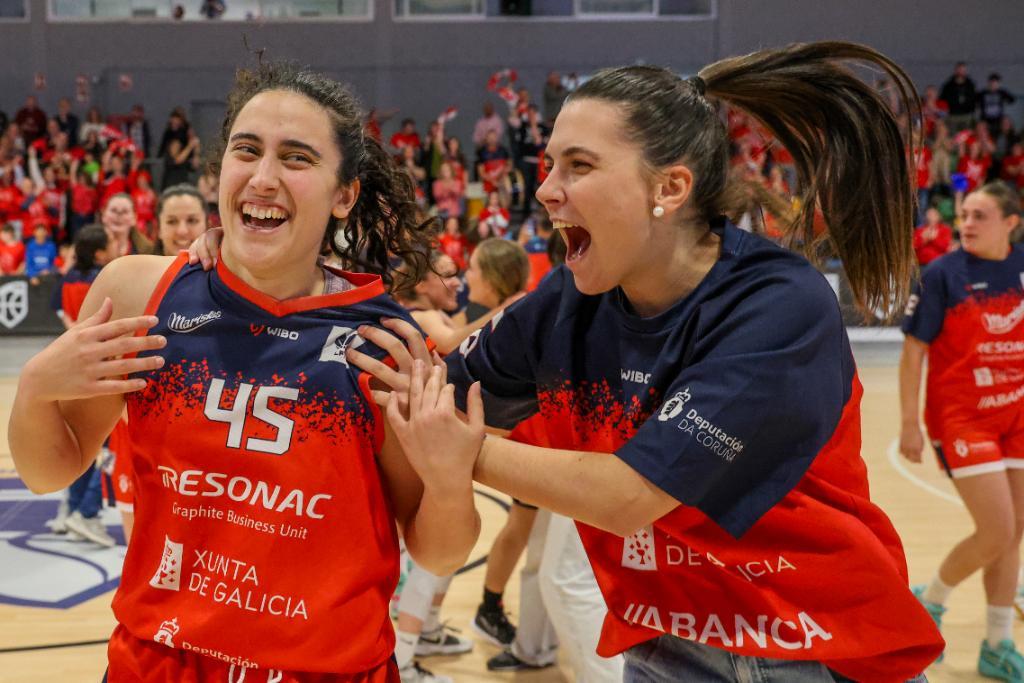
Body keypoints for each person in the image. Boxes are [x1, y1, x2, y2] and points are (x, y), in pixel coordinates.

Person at [345, 42, 944, 682]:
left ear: (670, 187)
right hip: (666, 647)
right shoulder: (564, 302)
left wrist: (459, 450)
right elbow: (426, 391)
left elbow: (628, 496)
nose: (546, 190)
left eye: (578, 166)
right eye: (549, 165)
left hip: (818, 649)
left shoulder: (777, 303)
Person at [10, 62, 479, 682]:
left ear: (345, 195)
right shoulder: (139, 293)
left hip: (330, 670)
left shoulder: (385, 341)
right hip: (158, 662)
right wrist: (36, 389)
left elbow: (437, 548)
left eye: (297, 158)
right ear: (220, 170)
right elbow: (50, 471)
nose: (263, 177)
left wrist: (449, 481)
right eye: (247, 150)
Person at [900, 181, 1024, 680]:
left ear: (1011, 222)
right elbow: (913, 354)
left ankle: (997, 642)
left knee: (1014, 532)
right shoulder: (942, 274)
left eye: (980, 215)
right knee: (997, 528)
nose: (966, 223)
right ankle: (931, 599)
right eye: (964, 214)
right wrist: (909, 422)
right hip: (962, 418)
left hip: (1016, 415)